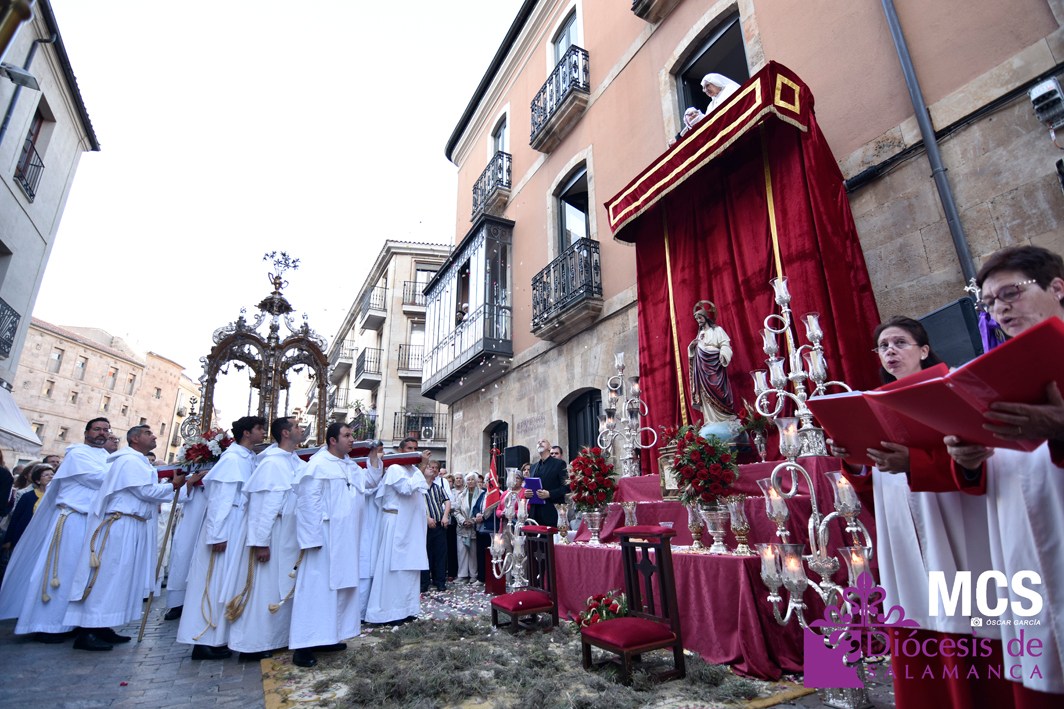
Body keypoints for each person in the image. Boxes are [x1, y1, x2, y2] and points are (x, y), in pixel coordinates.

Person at [828, 318, 1006, 709]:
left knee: (967, 611)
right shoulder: (873, 404)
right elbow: (872, 489)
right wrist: (854, 460)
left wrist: (914, 463)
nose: (890, 351)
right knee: (915, 613)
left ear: (924, 350)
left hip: (953, 518)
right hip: (901, 528)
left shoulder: (949, 391)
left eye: (900, 343)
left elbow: (979, 461)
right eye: (883, 346)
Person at [945, 245, 1064, 703]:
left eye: (1011, 293)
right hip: (1019, 548)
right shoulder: (986, 375)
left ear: (1057, 287)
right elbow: (992, 474)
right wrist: (967, 460)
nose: (1000, 309)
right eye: (990, 302)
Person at [63, 425, 185, 651]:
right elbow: (145, 492)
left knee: (119, 577)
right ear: (135, 439)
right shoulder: (129, 460)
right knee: (107, 575)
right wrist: (173, 485)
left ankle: (103, 626)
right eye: (148, 433)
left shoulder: (138, 461)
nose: (154, 436)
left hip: (131, 523)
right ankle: (88, 631)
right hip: (120, 525)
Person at [0, 418, 111, 642]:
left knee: (85, 573)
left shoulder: (107, 457)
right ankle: (48, 625)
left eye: (106, 430)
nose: (102, 433)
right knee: (63, 571)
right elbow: (97, 480)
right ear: (86, 432)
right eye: (97, 429)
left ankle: (77, 622)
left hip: (93, 521)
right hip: (72, 521)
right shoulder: (77, 454)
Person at [176, 415, 265, 660]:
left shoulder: (247, 458)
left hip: (237, 524)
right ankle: (202, 638)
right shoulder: (232, 459)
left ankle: (218, 636)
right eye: (259, 429)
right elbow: (220, 500)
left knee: (227, 581)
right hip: (226, 526)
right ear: (246, 433)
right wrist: (216, 535)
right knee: (213, 580)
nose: (263, 433)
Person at [226, 416, 305, 661]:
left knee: (282, 586)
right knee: (264, 589)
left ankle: (277, 638)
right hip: (273, 534)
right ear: (285, 433)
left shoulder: (294, 460)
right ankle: (253, 644)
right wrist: (261, 542)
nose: (301, 429)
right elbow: (262, 506)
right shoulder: (271, 464)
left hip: (289, 533)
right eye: (297, 426)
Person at [290, 422, 365, 668]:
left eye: (352, 435)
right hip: (323, 539)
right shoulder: (318, 465)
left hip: (345, 538)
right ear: (332, 440)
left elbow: (367, 488)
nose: (352, 439)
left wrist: (375, 461)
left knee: (339, 590)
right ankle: (303, 645)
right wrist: (311, 538)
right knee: (315, 590)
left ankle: (327, 636)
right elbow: (308, 503)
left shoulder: (350, 466)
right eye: (347, 435)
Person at [365, 436, 430, 625]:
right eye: (409, 448)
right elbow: (406, 489)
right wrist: (422, 467)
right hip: (396, 524)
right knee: (393, 569)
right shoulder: (395, 469)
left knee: (410, 569)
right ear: (401, 450)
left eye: (415, 448)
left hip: (411, 526)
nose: (413, 451)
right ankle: (388, 612)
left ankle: (408, 609)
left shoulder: (413, 470)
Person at [163, 461, 211, 621]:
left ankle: (199, 604)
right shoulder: (190, 471)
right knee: (182, 557)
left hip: (209, 517)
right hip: (190, 520)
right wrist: (190, 482)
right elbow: (179, 497)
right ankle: (177, 603)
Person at [688, 299, 738, 428]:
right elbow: (695, 349)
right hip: (702, 368)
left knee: (719, 391)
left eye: (700, 318)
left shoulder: (717, 330)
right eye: (696, 319)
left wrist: (723, 354)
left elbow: (725, 344)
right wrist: (692, 347)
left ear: (705, 317)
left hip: (715, 366)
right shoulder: (700, 334)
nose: (698, 321)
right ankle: (710, 421)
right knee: (705, 393)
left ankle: (725, 417)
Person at [1, 463, 54, 551]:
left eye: (52, 474)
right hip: (26, 536)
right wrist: (9, 539)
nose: (50, 477)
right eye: (46, 475)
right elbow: (16, 518)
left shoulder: (57, 498)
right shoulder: (28, 496)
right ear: (38, 480)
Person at [525, 440, 568, 527]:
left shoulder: (559, 464)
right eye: (538, 442)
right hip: (534, 513)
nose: (540, 443)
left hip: (551, 511)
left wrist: (550, 494)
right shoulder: (533, 467)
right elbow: (531, 486)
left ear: (549, 447)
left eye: (543, 441)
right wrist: (527, 493)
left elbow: (567, 487)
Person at [423, 461, 450, 593]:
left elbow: (447, 501)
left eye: (434, 468)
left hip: (439, 525)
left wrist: (445, 516)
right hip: (424, 527)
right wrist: (426, 518)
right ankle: (424, 582)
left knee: (440, 554)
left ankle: (440, 581)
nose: (432, 470)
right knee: (425, 554)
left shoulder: (438, 488)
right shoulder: (419, 488)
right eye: (429, 468)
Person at [453, 472, 483, 583]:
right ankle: (462, 575)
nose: (470, 481)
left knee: (473, 553)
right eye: (468, 479)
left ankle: (473, 575)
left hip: (475, 527)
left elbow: (482, 510)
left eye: (472, 479)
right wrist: (463, 521)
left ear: (476, 481)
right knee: (461, 552)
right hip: (463, 527)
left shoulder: (481, 494)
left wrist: (473, 521)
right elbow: (456, 511)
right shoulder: (461, 495)